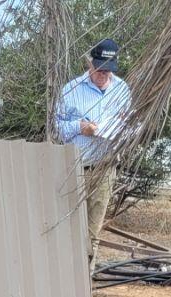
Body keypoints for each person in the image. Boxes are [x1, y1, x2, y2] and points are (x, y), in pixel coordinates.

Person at [54, 39, 132, 263]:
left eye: (108, 70)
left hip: (104, 167)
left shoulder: (122, 90)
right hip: (75, 168)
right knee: (68, 225)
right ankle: (66, 271)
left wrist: (122, 129)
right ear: (90, 63)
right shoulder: (71, 89)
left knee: (93, 230)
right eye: (99, 69)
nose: (103, 74)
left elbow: (129, 125)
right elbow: (56, 127)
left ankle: (86, 275)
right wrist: (80, 127)